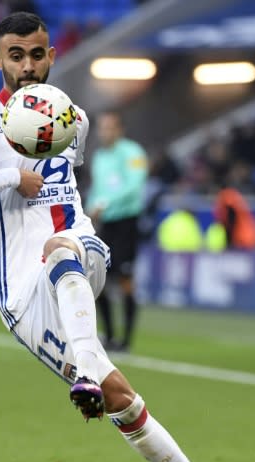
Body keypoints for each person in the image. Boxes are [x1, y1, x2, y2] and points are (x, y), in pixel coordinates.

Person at [0, 11, 255, 462]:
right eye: (15, 56)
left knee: (61, 244)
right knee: (123, 401)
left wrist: (62, 218)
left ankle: (85, 369)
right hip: (22, 296)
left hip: (79, 254)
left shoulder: (76, 120)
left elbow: (66, 190)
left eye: (36, 54)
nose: (27, 66)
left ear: (51, 56)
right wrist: (5, 178)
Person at [84, 111, 147, 352]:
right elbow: (99, 189)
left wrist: (104, 204)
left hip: (127, 222)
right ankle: (109, 336)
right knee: (97, 277)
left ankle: (126, 340)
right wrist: (91, 208)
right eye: (102, 128)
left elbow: (134, 185)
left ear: (120, 129)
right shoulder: (100, 156)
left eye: (110, 128)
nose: (105, 132)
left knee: (125, 280)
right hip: (106, 224)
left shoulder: (133, 154)